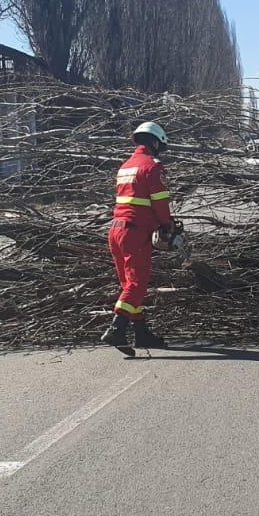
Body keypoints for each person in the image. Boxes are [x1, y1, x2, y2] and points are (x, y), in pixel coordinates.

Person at [102, 121, 182, 354]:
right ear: (155, 142)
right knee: (137, 284)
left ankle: (141, 333)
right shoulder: (152, 166)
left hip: (116, 230)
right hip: (135, 232)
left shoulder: (126, 166)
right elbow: (159, 202)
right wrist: (167, 225)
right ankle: (116, 329)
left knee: (129, 285)